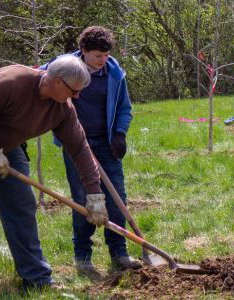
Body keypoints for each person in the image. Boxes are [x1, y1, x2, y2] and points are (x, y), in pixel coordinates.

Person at [0, 55, 107, 294]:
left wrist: (95, 196)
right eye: (74, 91)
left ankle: (37, 278)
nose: (77, 97)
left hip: (6, 145)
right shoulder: (13, 80)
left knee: (22, 208)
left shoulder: (63, 108)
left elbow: (80, 149)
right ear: (57, 82)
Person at [39, 26, 139, 272]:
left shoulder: (115, 75)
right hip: (75, 145)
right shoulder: (63, 69)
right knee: (84, 201)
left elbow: (124, 109)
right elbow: (36, 81)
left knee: (116, 198)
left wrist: (119, 134)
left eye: (106, 56)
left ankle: (119, 254)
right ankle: (83, 257)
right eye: (97, 56)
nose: (102, 61)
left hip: (106, 145)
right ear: (83, 51)